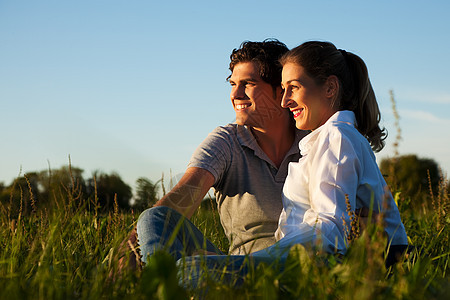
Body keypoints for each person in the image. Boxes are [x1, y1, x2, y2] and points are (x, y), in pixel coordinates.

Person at [180, 41, 408, 286]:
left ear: (330, 88)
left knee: (191, 271)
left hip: (313, 266)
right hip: (297, 259)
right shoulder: (326, 139)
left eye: (294, 88)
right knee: (168, 237)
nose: (285, 101)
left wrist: (256, 263)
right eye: (284, 89)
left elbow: (329, 227)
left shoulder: (337, 138)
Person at [135, 39, 308, 265]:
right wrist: (124, 255)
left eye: (248, 83)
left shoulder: (313, 143)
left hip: (299, 266)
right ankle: (165, 283)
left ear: (281, 91)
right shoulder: (227, 141)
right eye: (232, 83)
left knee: (194, 271)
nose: (235, 94)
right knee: (155, 218)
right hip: (240, 268)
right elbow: (180, 200)